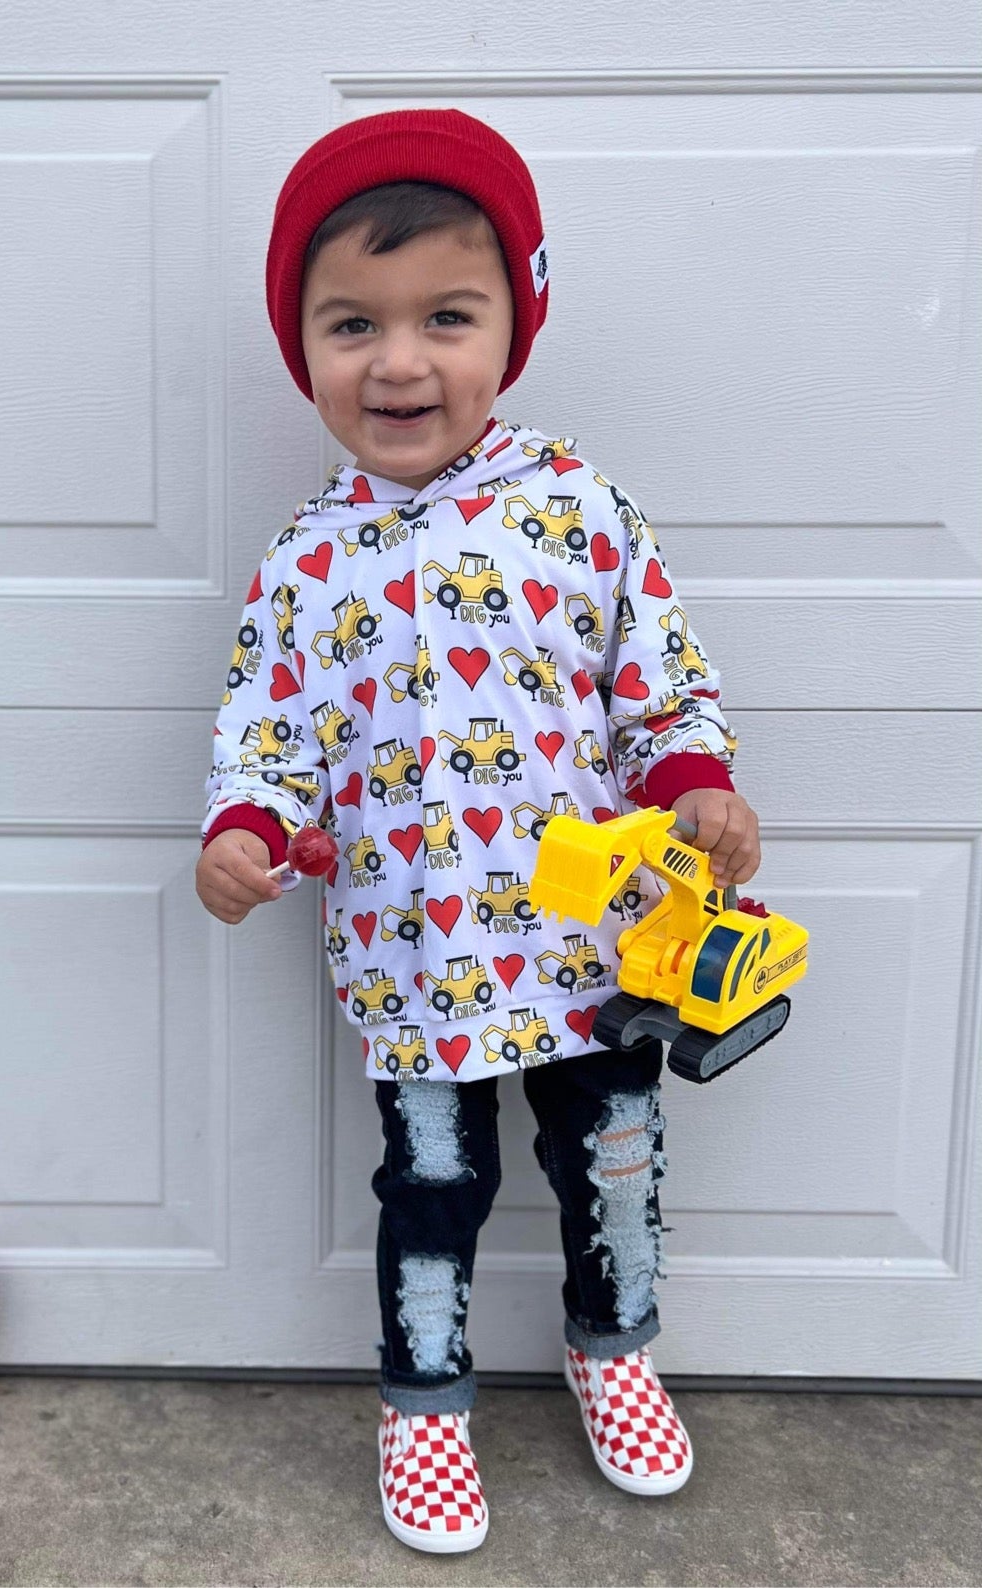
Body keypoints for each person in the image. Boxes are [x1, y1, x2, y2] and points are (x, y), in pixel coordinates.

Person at [195, 109, 761, 1553]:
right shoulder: (308, 562)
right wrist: (246, 828)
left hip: (598, 942)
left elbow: (660, 680)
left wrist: (694, 781)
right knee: (432, 1182)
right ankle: (424, 1397)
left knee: (615, 1156)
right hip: (417, 951)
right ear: (301, 346)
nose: (397, 362)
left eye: (445, 315)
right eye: (349, 323)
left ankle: (613, 1344)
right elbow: (265, 723)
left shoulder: (579, 512)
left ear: (514, 322)